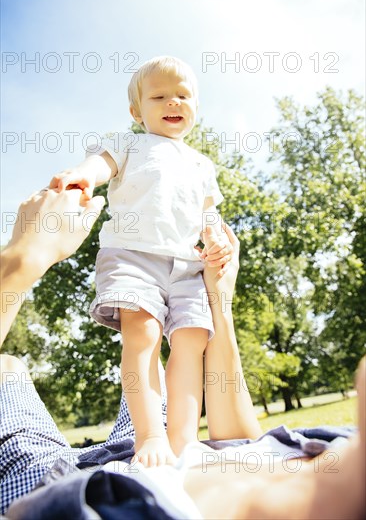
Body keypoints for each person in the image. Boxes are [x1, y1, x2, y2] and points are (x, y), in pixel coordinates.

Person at [1, 187, 365, 520]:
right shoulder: (335, 449)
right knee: (155, 367)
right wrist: (219, 295)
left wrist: (23, 261)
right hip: (162, 447)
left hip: (58, 479)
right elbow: (237, 441)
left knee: (7, 368)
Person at [47, 56, 233, 467]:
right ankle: (149, 436)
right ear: (137, 111)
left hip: (187, 266)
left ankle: (182, 440)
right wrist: (83, 173)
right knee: (143, 333)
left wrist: (215, 238)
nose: (174, 102)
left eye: (183, 95)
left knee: (192, 341)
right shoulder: (131, 143)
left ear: (195, 106)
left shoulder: (203, 165)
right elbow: (101, 164)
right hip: (133, 257)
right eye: (160, 96)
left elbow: (207, 214)